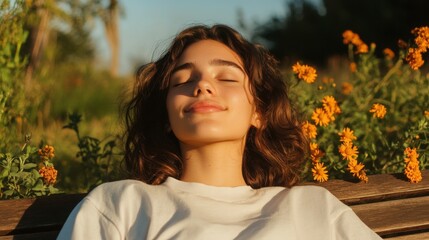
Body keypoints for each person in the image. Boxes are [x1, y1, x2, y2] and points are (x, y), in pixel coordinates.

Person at [57, 24, 381, 240]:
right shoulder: (121, 205)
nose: (202, 85)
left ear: (259, 111)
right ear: (167, 115)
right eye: (182, 80)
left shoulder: (311, 208)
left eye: (226, 78)